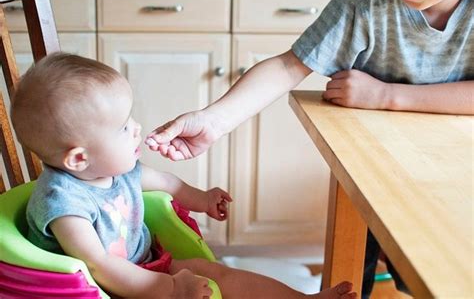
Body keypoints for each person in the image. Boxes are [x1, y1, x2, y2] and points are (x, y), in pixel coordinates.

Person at [145, 0, 473, 297]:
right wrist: (214, 121)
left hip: (456, 171)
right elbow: (290, 65)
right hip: (373, 166)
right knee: (364, 266)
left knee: (440, 270)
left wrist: (387, 95)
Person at [10, 52, 355, 299]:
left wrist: (203, 199)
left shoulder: (118, 171)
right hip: (101, 288)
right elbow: (98, 266)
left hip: (146, 266)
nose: (137, 129)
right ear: (79, 158)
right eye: (123, 127)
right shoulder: (65, 204)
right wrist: (172, 290)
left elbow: (169, 183)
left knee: (220, 275)